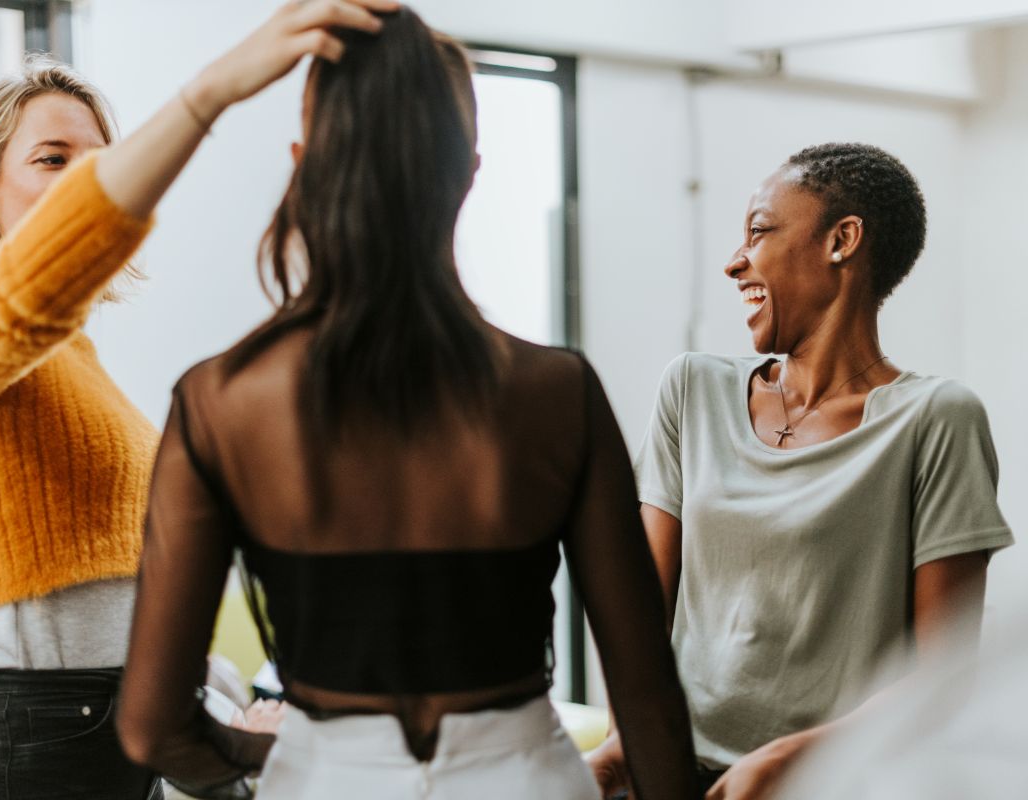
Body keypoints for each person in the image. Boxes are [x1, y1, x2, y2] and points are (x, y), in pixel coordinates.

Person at [116, 6, 701, 800]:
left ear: (302, 163)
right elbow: (649, 702)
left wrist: (285, 759)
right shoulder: (559, 391)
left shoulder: (220, 400)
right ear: (466, 171)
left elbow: (151, 727)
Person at [0, 1, 380, 795]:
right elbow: (20, 296)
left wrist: (218, 717)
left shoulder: (76, 361)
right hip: (37, 747)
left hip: (116, 739)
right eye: (53, 159)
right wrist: (212, 92)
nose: (85, 180)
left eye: (101, 159)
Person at [585, 143, 1014, 800]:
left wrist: (786, 763)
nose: (735, 262)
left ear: (841, 241)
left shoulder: (936, 419)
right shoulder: (692, 390)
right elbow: (638, 621)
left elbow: (941, 678)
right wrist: (627, 749)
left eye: (758, 231)